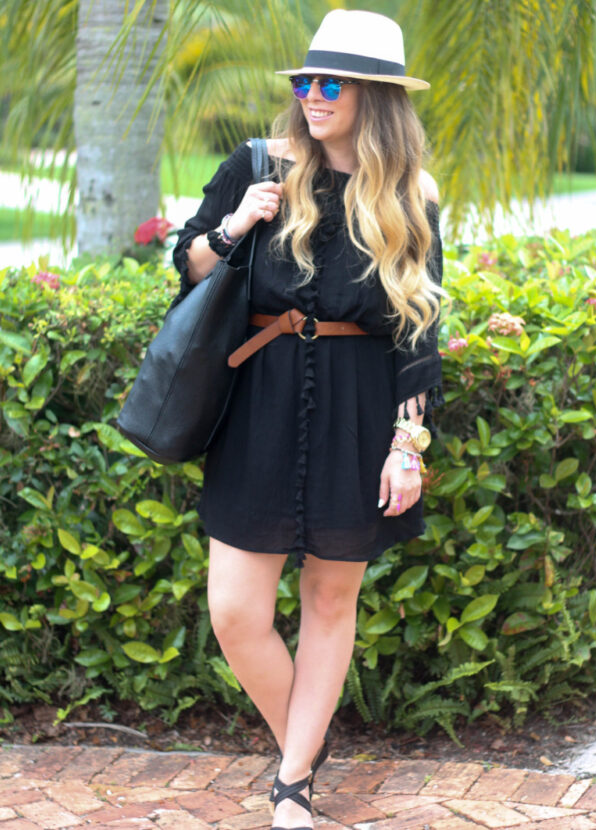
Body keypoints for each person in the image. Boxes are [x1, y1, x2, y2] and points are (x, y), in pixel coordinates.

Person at [172, 9, 444, 829]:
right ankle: (309, 736)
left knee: (330, 601)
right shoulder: (258, 163)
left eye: (331, 83)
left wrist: (407, 444)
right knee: (235, 612)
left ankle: (291, 782)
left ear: (374, 97)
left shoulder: (410, 193)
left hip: (360, 412)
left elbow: (418, 329)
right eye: (305, 82)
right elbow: (187, 266)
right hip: (258, 401)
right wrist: (235, 223)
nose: (312, 95)